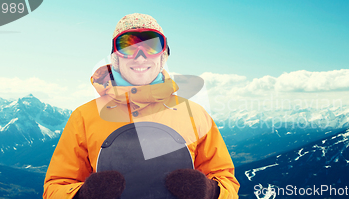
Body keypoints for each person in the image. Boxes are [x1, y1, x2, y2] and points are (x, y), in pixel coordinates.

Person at [43, 13, 240, 199]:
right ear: (116, 57)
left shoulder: (194, 115)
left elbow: (227, 183)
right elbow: (55, 188)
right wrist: (83, 194)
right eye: (128, 46)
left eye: (151, 46)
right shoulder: (85, 117)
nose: (140, 56)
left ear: (163, 56)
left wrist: (210, 191)